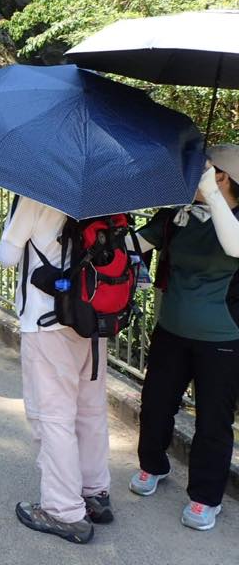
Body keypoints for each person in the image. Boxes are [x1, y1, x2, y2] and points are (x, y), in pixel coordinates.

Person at [128, 148, 239, 532]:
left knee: (213, 419)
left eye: (202, 172)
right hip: (171, 328)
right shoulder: (178, 214)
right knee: (156, 402)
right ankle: (152, 465)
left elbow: (234, 246)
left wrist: (209, 193)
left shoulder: (233, 221)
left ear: (222, 178)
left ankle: (206, 497)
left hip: (223, 338)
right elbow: (133, 246)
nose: (188, 178)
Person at [0, 195, 107, 544]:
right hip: (93, 319)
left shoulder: (37, 193)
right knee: (90, 411)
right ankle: (95, 492)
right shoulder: (104, 191)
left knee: (54, 418)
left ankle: (63, 510)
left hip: (47, 323)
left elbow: (7, 257)